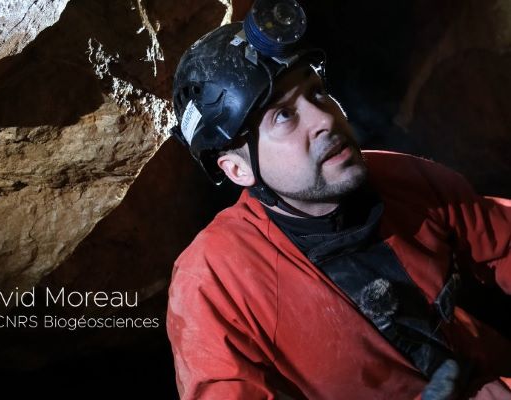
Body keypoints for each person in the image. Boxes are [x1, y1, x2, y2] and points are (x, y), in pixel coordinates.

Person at [164, 3, 511, 399]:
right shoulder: (216, 280)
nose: (325, 119)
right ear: (238, 169)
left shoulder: (403, 179)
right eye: (283, 116)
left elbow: (502, 240)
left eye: (317, 93)